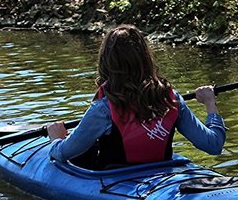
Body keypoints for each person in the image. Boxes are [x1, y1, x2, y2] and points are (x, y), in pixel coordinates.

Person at [46, 24, 226, 168]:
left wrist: (56, 138)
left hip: (115, 179)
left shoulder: (104, 109)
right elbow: (213, 145)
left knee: (84, 153)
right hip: (159, 173)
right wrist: (210, 103)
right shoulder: (171, 99)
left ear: (107, 61)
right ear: (145, 57)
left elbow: (62, 154)